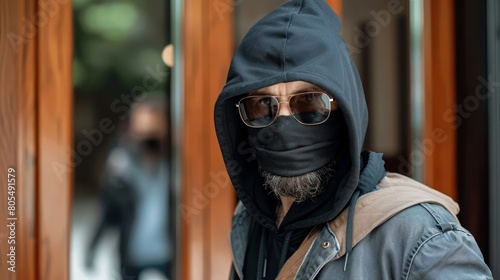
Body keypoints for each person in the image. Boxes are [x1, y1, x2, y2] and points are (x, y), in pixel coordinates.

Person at [213, 0, 493, 279]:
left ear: (346, 110)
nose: (284, 124)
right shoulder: (249, 226)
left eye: (309, 101)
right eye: (263, 104)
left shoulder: (420, 240)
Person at [85, 96, 172, 280]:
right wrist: (92, 247)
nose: (148, 134)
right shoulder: (123, 164)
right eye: (142, 127)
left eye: (154, 126)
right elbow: (108, 209)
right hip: (132, 254)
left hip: (167, 254)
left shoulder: (173, 164)